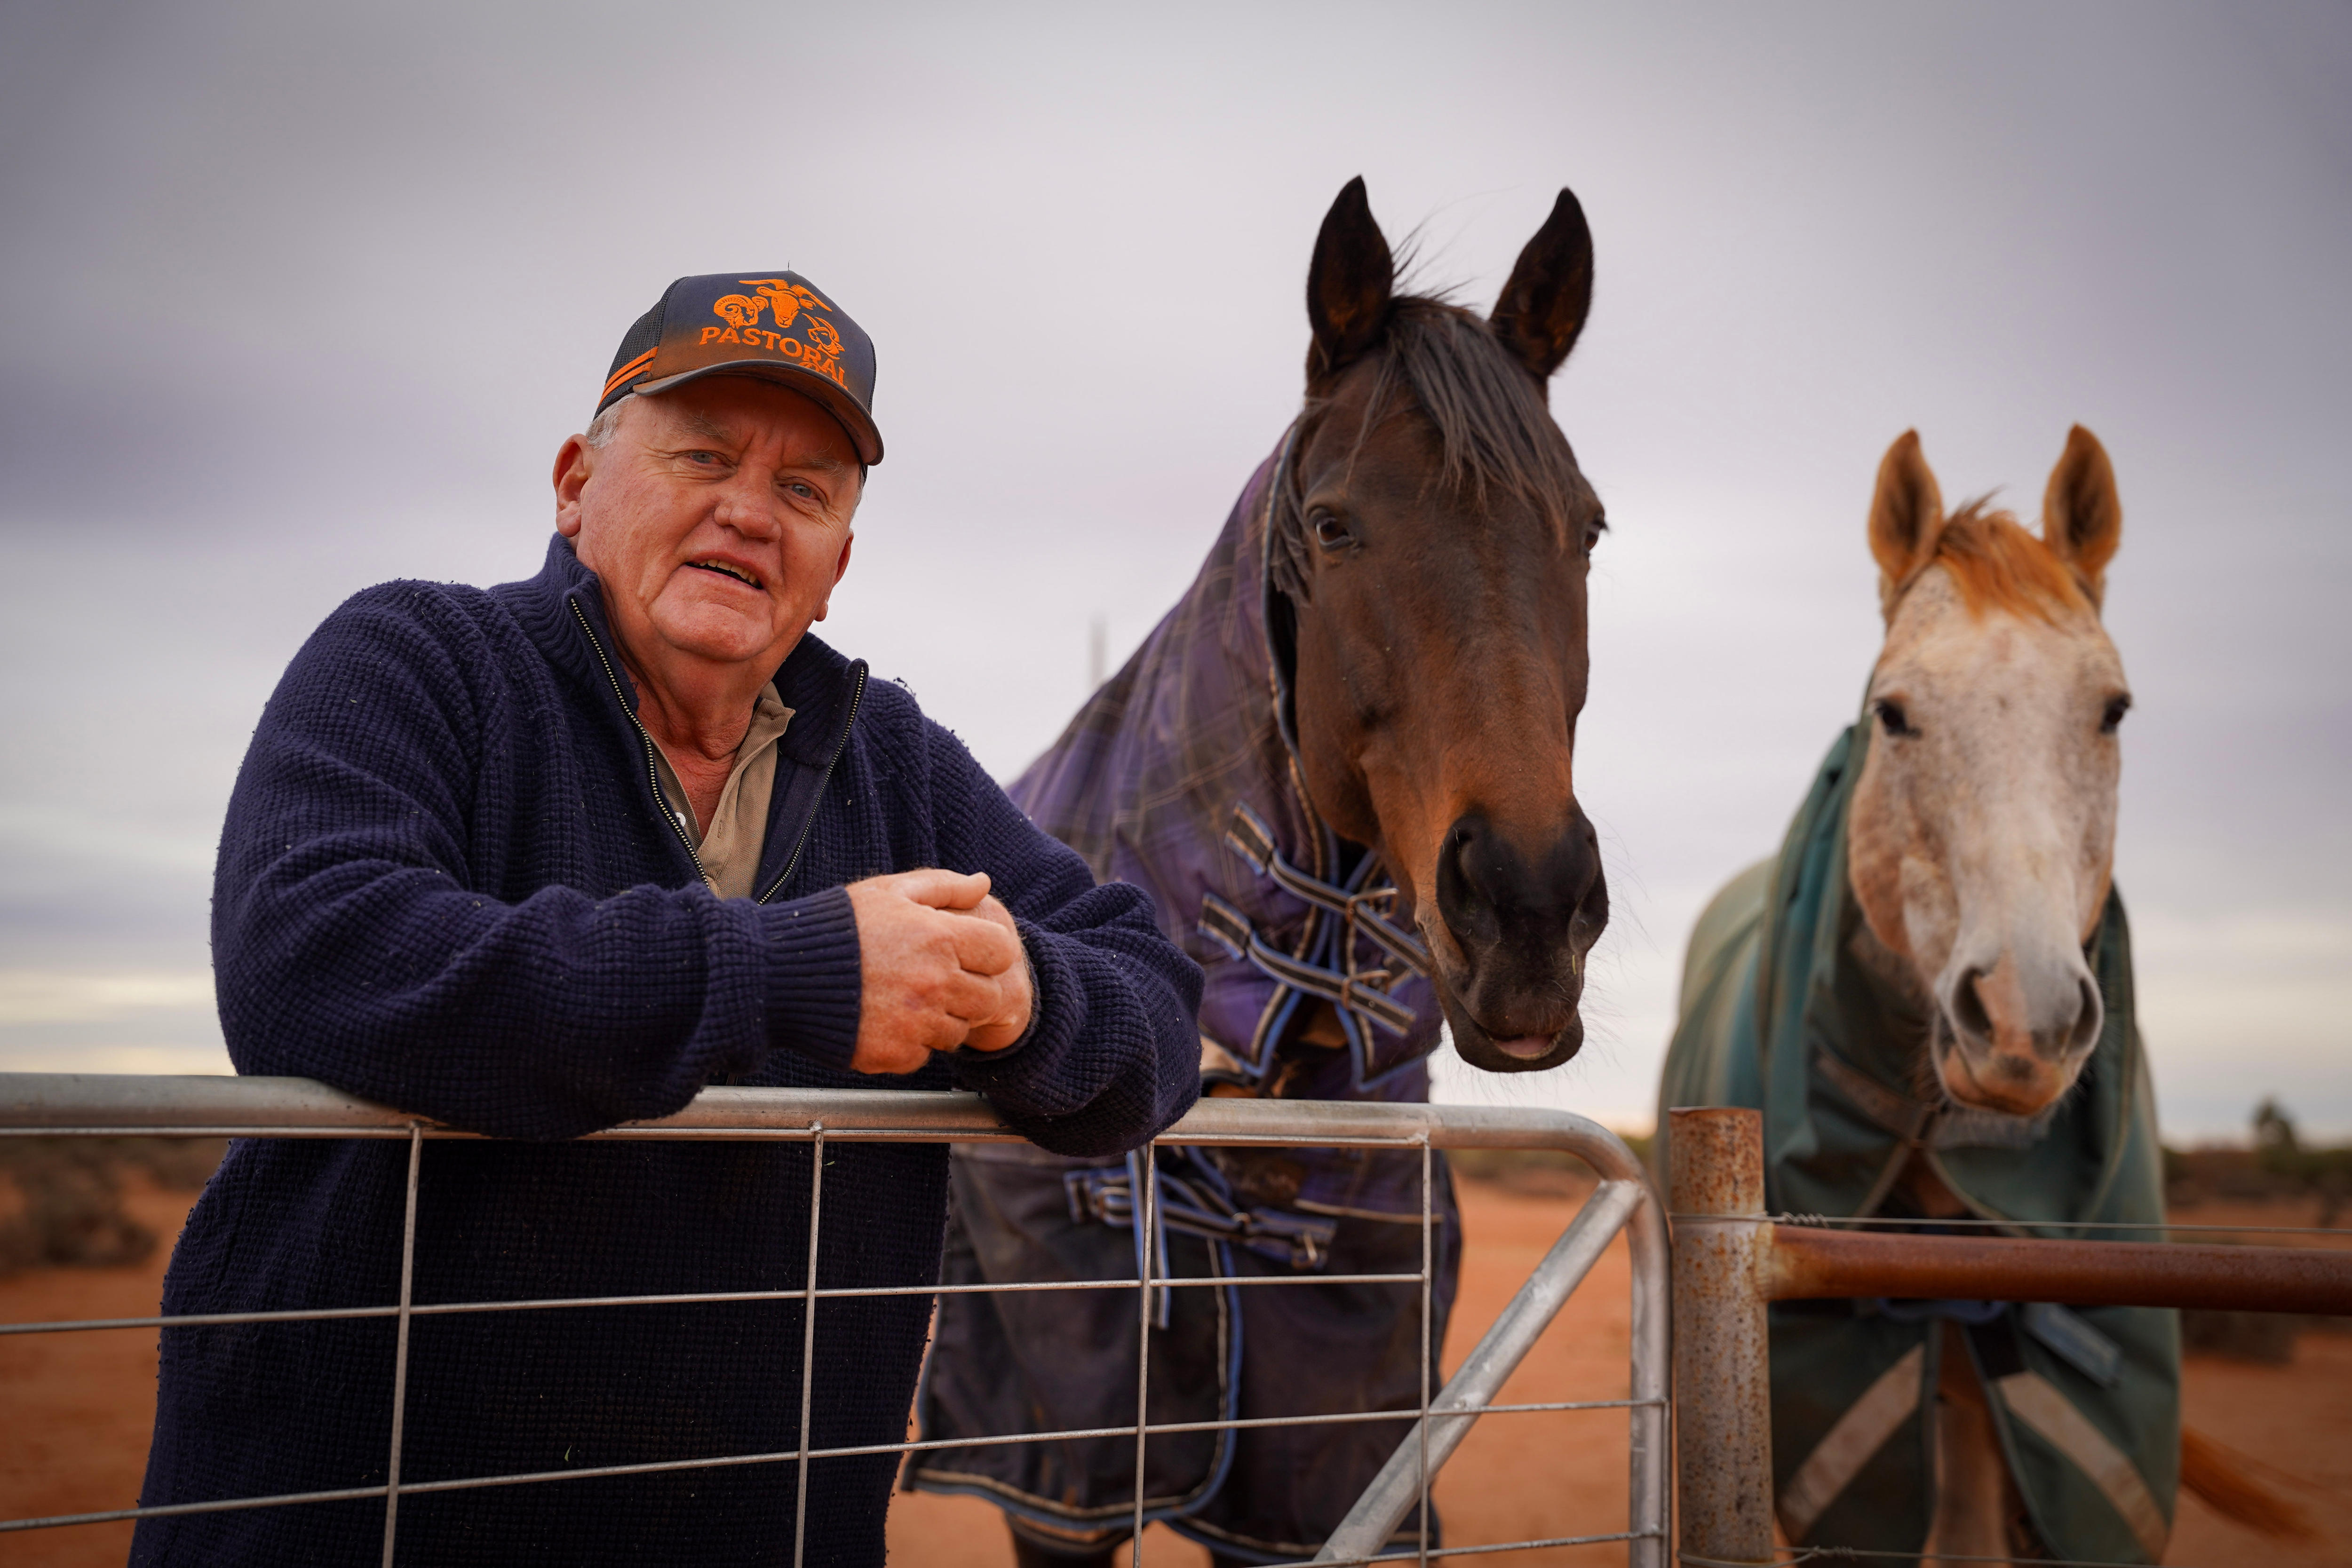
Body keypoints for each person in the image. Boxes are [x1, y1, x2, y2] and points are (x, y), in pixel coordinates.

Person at [130, 270, 1204, 1567]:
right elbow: (312, 953)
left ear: (836, 566)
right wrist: (795, 976)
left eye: (806, 490)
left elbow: (1154, 1007)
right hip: (363, 1530)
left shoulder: (899, 764)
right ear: (577, 481)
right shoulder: (416, 659)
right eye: (703, 454)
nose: (750, 513)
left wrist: (1025, 998)